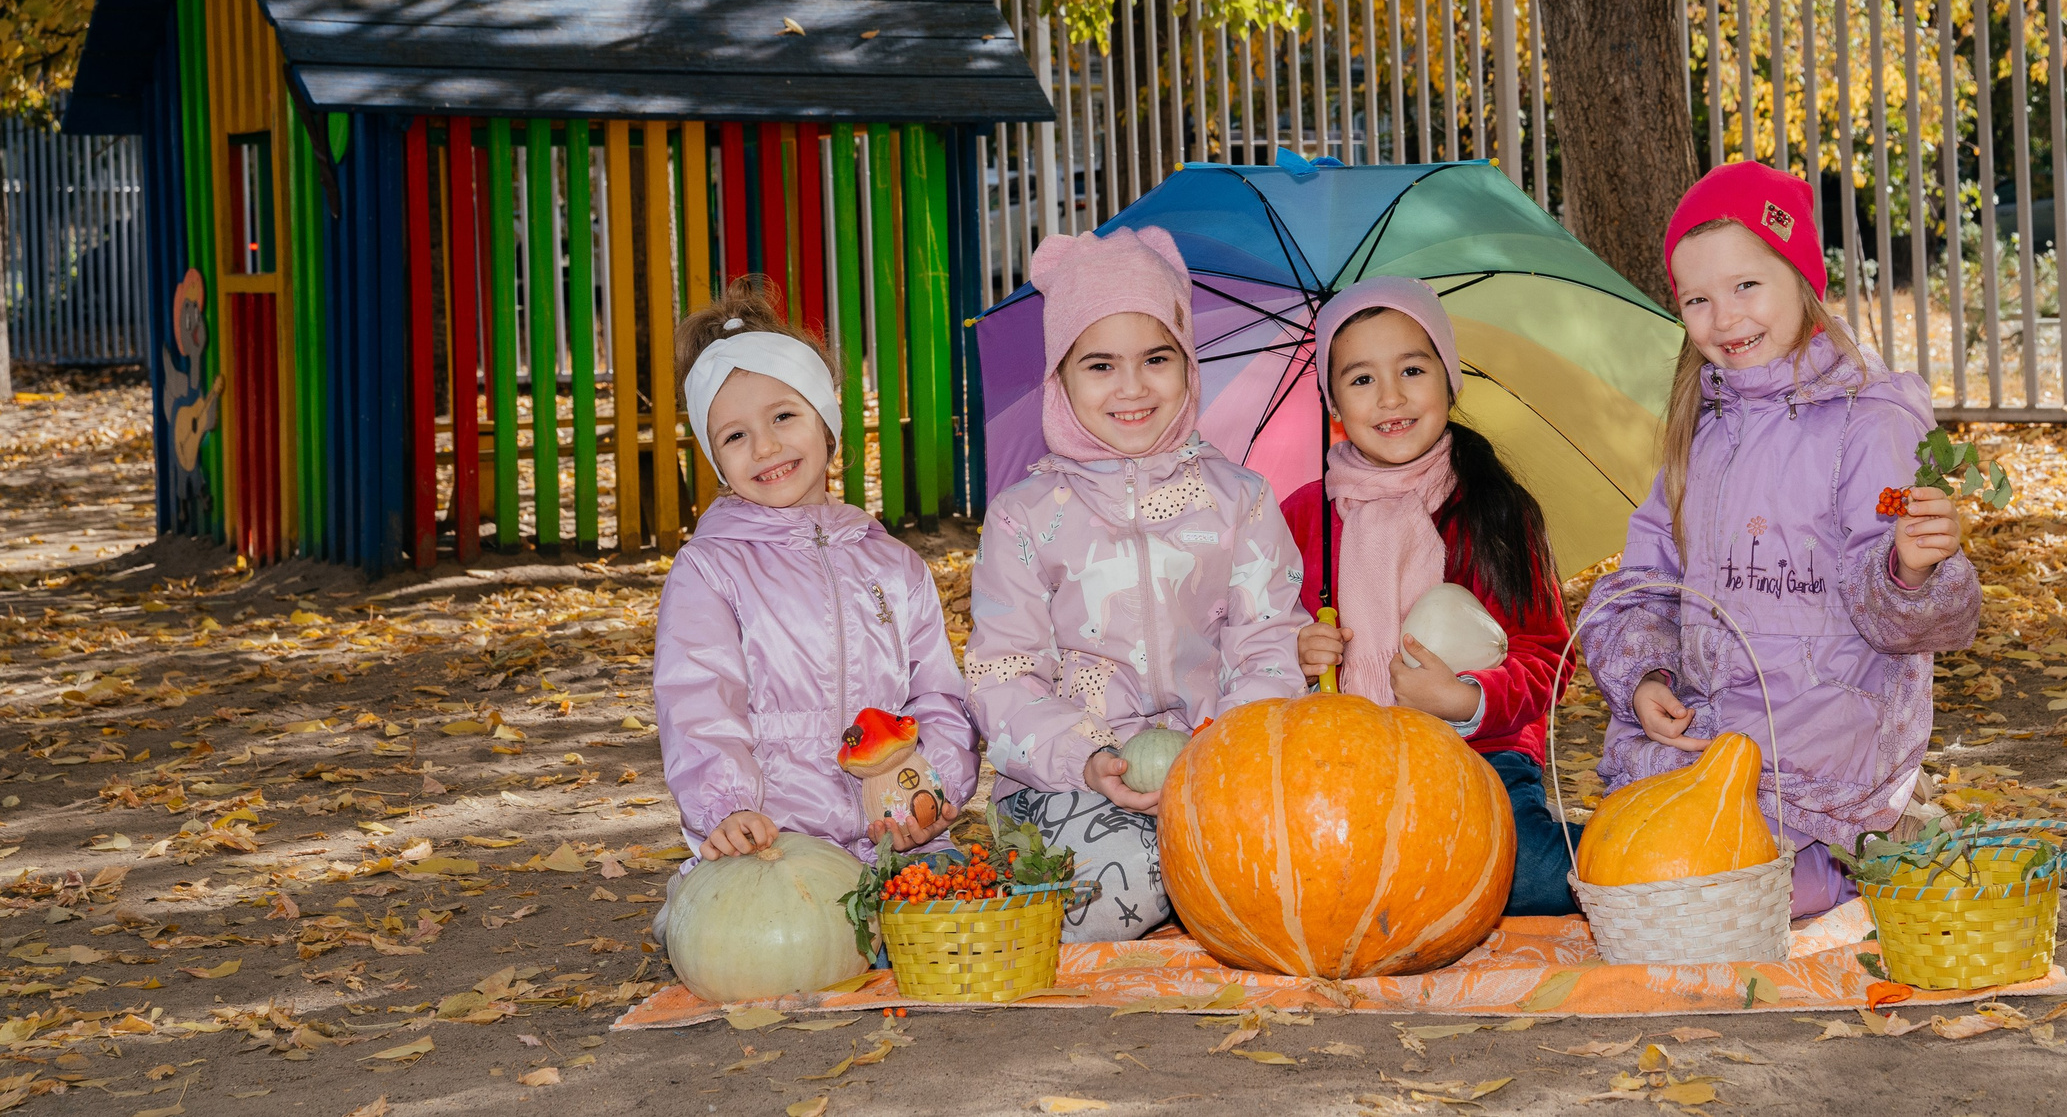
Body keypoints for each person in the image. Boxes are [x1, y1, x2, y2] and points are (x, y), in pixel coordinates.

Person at [1576, 162, 1975, 918]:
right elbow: (1644, 582)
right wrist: (1647, 679)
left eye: (1747, 286)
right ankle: (1756, 866)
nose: (1724, 318)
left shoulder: (1870, 423)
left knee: (1716, 893)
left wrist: (1909, 568)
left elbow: (1900, 611)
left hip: (1818, 752)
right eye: (1697, 298)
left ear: (1801, 279)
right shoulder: (1702, 429)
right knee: (1637, 872)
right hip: (1708, 745)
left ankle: (1854, 858)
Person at [965, 226, 1309, 940]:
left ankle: (1210, 881)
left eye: (1157, 357)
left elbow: (1270, 645)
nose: (1132, 386)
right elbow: (1004, 674)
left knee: (1321, 842)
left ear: (1189, 366)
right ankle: (1184, 888)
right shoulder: (1024, 517)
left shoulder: (1238, 500)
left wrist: (1216, 752)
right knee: (1110, 879)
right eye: (1099, 364)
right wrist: (1086, 756)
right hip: (1068, 784)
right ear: (1058, 379)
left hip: (1215, 770)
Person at [653, 277, 975, 883]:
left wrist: (937, 788)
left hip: (899, 840)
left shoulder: (894, 565)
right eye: (735, 436)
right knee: (771, 949)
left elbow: (935, 695)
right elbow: (698, 702)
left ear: (825, 422)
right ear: (716, 459)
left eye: (783, 415)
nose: (766, 446)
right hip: (776, 848)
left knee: (965, 929)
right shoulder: (711, 569)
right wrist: (728, 809)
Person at [1285, 278, 1577, 916]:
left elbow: (1548, 655)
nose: (1390, 396)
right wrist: (1299, 652)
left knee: (1524, 877)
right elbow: (1257, 639)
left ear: (1449, 380)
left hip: (1481, 752)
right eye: (1360, 379)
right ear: (1332, 400)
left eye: (1412, 369)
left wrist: (1466, 699)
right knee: (1324, 884)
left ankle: (1630, 856)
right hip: (1348, 756)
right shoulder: (1305, 517)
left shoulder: (1494, 511)